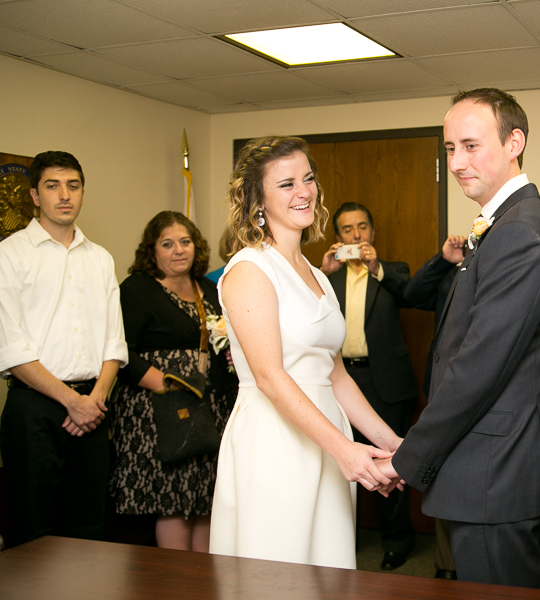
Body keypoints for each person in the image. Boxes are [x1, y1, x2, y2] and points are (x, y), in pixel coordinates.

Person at [377, 88, 540, 588]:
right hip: (501, 457)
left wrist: (411, 456)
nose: (458, 162)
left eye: (471, 145)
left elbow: (480, 366)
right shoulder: (517, 222)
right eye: (449, 149)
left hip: (494, 465)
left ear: (515, 142)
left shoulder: (519, 232)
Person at [208, 136, 402, 568]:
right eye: (286, 184)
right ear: (257, 199)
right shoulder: (248, 269)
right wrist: (344, 450)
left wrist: (393, 445)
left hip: (328, 434)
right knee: (278, 569)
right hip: (276, 437)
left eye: (308, 179)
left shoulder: (316, 273)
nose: (304, 192)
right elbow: (271, 377)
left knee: (327, 567)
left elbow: (336, 377)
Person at [0, 151, 127, 548]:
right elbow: (12, 348)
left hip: (93, 405)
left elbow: (114, 342)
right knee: (30, 529)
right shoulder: (10, 255)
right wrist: (72, 402)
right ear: (35, 196)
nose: (64, 195)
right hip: (34, 410)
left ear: (83, 193)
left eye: (73, 185)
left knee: (88, 529)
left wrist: (93, 400)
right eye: (52, 186)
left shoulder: (101, 258)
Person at [109, 211, 238, 551]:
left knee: (205, 497)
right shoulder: (136, 290)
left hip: (209, 408)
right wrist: (164, 384)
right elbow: (120, 351)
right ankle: (177, 584)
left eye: (185, 241)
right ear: (152, 250)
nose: (178, 250)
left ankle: (202, 582)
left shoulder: (210, 289)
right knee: (173, 501)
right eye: (167, 244)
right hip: (159, 410)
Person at [319, 202, 418, 571]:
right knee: (338, 463)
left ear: (372, 233)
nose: (356, 235)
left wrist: (376, 267)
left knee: (387, 465)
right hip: (337, 381)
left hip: (386, 383)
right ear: (338, 238)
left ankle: (397, 542)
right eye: (347, 230)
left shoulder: (391, 271)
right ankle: (343, 540)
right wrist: (324, 274)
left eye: (362, 227)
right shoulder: (325, 278)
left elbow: (412, 295)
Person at [403, 233, 467, 580]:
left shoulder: (505, 266)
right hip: (442, 385)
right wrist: (444, 259)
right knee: (443, 471)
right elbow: (413, 295)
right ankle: (446, 563)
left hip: (485, 384)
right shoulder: (452, 269)